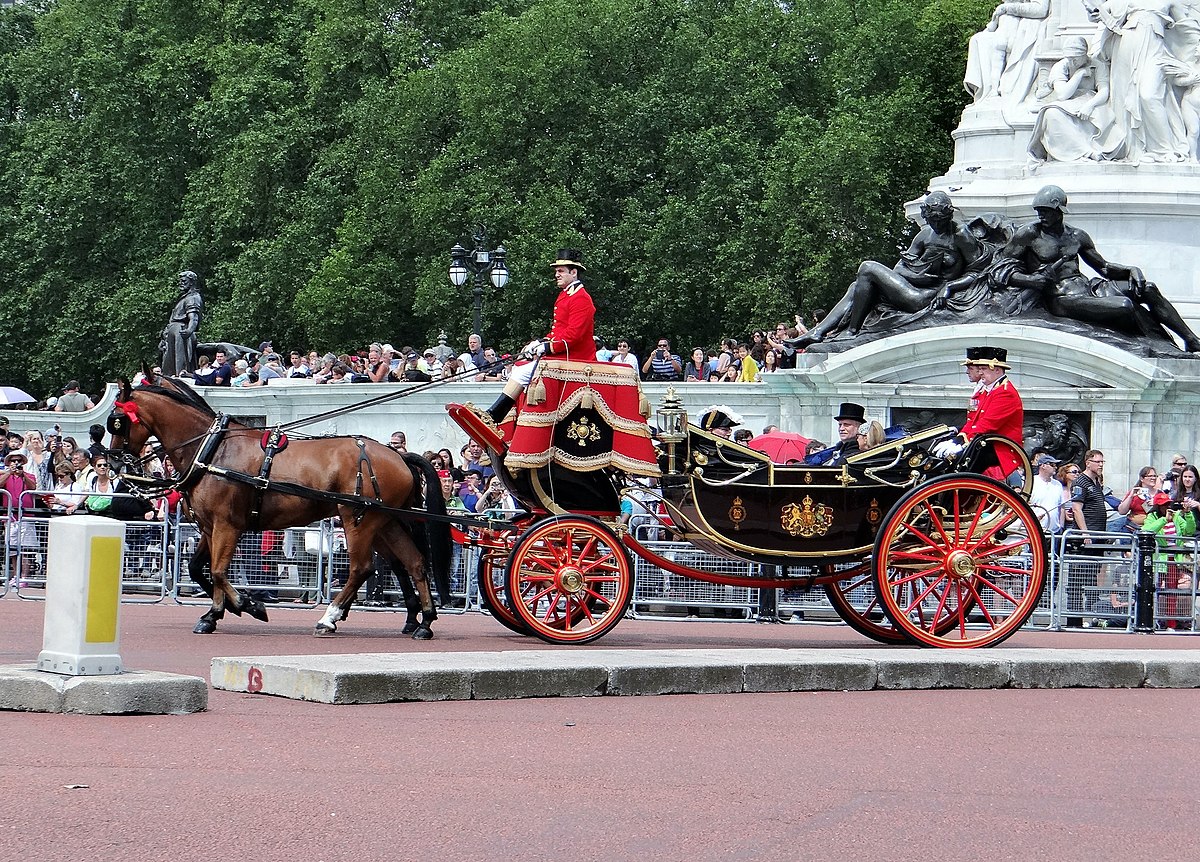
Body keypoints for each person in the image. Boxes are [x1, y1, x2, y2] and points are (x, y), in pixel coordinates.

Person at [994, 185, 1200, 352]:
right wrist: (1031, 280)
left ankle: (1190, 339)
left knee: (1148, 289)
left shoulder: (1077, 236)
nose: (1041, 216)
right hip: (1061, 297)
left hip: (1088, 288)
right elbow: (998, 270)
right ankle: (1161, 346)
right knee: (1123, 306)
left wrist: (1131, 270)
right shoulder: (1029, 234)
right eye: (1039, 212)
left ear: (1060, 211)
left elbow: (1104, 268)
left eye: (1046, 212)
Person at [788, 192, 983, 347]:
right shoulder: (925, 235)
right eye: (931, 221)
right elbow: (900, 268)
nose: (936, 225)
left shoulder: (960, 235)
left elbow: (978, 272)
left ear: (949, 215)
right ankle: (819, 332)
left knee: (867, 267)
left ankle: (851, 332)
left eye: (940, 221)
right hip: (913, 287)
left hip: (926, 297)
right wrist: (918, 275)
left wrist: (948, 287)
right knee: (856, 286)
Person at [485, 249, 596, 423]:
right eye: (556, 271)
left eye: (560, 271)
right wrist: (540, 342)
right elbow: (557, 331)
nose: (556, 275)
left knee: (522, 371)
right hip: (564, 352)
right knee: (520, 365)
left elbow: (573, 335)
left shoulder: (581, 298)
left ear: (573, 273)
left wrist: (546, 347)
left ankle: (495, 414)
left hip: (576, 356)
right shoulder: (567, 294)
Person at [932, 347, 1023, 482]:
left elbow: (988, 424)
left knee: (962, 468)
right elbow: (974, 421)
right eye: (979, 369)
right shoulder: (990, 390)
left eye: (984, 369)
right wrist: (960, 437)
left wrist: (964, 440)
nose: (980, 373)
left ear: (997, 370)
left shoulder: (1005, 392)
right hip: (985, 441)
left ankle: (955, 494)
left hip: (999, 448)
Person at [1144, 490, 1196, 629]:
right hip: (1158, 560)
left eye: (1167, 504)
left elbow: (1189, 530)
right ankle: (1151, 620)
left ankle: (1171, 624)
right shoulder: (1152, 517)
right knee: (1153, 590)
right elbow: (1147, 530)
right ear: (1157, 506)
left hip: (1174, 560)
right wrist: (1164, 520)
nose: (1166, 507)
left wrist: (1188, 514)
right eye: (1162, 505)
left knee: (1171, 593)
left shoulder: (1177, 516)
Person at [3, 451, 39, 583]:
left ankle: (24, 577)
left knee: (25, 548)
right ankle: (15, 576)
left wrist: (22, 475)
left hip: (26, 516)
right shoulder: (5, 476)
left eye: (18, 460)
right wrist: (9, 473)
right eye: (13, 461)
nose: (16, 463)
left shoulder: (29, 475)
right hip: (10, 517)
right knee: (12, 548)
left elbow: (33, 487)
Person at [160, 270, 204, 376]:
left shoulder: (193, 298)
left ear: (192, 282)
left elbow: (193, 318)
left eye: (184, 281)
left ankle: (181, 376)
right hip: (173, 332)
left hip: (181, 331)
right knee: (169, 364)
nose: (181, 283)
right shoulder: (185, 298)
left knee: (180, 362)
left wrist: (189, 330)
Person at [1071, 450, 1111, 542]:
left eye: (1102, 462)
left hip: (1099, 533)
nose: (1101, 465)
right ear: (1088, 463)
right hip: (1087, 535)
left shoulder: (1096, 482)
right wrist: (1085, 532)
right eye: (1097, 462)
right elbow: (1076, 509)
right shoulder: (1080, 482)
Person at [1114, 466, 1160, 532]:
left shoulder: (1160, 493)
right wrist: (1130, 497)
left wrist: (1156, 503)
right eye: (1150, 476)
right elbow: (1122, 511)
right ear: (1142, 478)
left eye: (1155, 476)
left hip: (1153, 529)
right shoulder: (1134, 493)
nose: (1153, 478)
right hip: (1133, 528)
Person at [1029, 453, 1065, 533]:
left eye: (1056, 465)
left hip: (1055, 531)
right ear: (1043, 466)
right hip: (1036, 530)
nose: (1055, 467)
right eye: (1052, 465)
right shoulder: (1032, 482)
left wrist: (1061, 526)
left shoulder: (1058, 484)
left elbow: (1061, 507)